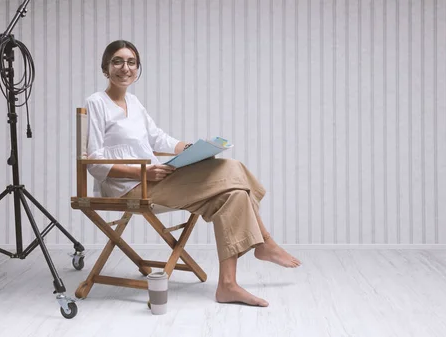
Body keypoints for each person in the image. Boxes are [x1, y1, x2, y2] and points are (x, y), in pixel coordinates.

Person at [84, 40, 300, 307]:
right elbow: (93, 161)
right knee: (232, 167)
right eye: (117, 61)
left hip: (157, 178)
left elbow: (157, 138)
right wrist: (143, 172)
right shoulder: (96, 102)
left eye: (131, 62)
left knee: (233, 197)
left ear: (138, 68)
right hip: (130, 186)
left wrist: (189, 148)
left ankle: (227, 286)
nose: (124, 68)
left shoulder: (135, 102)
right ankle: (265, 241)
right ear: (106, 67)